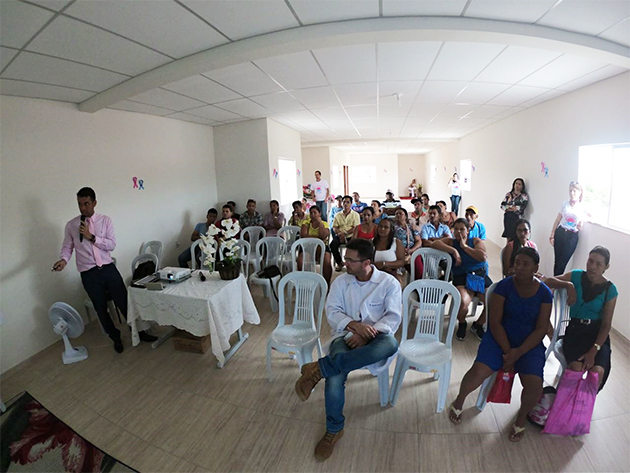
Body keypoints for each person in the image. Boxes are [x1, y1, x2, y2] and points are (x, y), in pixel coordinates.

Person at [294, 239, 401, 461]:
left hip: (376, 337)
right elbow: (332, 312)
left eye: (351, 260)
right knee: (335, 378)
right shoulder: (341, 282)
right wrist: (354, 327)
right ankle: (334, 429)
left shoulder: (388, 283)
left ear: (367, 263)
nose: (346, 263)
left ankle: (319, 368)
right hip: (344, 334)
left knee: (391, 344)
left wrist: (365, 333)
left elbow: (392, 318)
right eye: (345, 258)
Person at [448, 247, 552, 443]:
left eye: (525, 264)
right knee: (478, 371)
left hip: (528, 344)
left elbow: (541, 329)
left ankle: (521, 418)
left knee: (535, 385)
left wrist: (518, 352)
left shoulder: (545, 294)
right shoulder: (504, 286)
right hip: (499, 339)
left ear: (535, 268)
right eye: (517, 263)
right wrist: (508, 352)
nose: (519, 267)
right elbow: (494, 322)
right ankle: (459, 400)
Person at [52, 187, 156, 353]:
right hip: (89, 274)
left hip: (108, 268)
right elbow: (67, 246)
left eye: (86, 203)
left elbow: (111, 245)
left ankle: (139, 332)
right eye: (79, 204)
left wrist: (92, 237)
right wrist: (64, 260)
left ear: (94, 203)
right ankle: (115, 337)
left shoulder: (105, 221)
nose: (83, 208)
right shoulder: (71, 225)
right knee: (101, 308)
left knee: (124, 302)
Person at [543, 246, 618, 391]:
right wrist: (568, 285)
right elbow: (547, 282)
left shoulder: (610, 289)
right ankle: (566, 401)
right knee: (576, 368)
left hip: (597, 335)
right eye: (590, 261)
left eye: (598, 264)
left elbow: (606, 325)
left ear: (606, 267)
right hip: (575, 332)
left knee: (597, 372)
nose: (592, 266)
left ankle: (584, 405)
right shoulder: (576, 276)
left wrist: (593, 351)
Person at [432, 218, 491, 341]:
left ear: (468, 231)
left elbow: (482, 257)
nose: (459, 232)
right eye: (456, 229)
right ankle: (462, 323)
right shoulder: (451, 242)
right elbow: (435, 244)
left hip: (479, 275)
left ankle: (478, 324)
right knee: (463, 301)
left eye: (462, 229)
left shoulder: (475, 241)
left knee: (493, 300)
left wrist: (464, 247)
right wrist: (454, 251)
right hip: (462, 276)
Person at [549, 181, 589, 276]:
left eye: (574, 191)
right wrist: (552, 234)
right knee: (557, 261)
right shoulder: (564, 204)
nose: (572, 193)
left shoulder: (582, 206)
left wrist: (582, 221)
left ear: (580, 192)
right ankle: (554, 285)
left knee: (562, 263)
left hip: (572, 236)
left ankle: (556, 284)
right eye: (570, 191)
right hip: (561, 232)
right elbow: (558, 219)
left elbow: (592, 216)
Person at [299, 206, 332, 285]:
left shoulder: (324, 224)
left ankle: (327, 283)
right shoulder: (306, 223)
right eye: (311, 213)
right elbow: (303, 235)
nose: (313, 215)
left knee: (326, 260)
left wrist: (320, 223)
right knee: (300, 260)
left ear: (319, 214)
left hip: (322, 247)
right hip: (307, 247)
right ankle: (303, 282)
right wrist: (318, 238)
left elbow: (323, 236)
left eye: (315, 213)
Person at [331, 195, 360, 271]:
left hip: (351, 235)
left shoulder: (355, 215)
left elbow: (355, 228)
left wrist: (345, 233)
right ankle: (339, 263)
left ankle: (351, 264)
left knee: (354, 247)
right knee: (332, 245)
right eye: (344, 202)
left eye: (348, 202)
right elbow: (334, 227)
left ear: (351, 204)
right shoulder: (338, 215)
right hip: (340, 235)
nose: (346, 204)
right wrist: (340, 234)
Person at [373, 218, 406, 283]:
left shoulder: (396, 242)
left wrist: (385, 264)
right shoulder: (372, 242)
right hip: (374, 274)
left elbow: (401, 262)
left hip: (391, 275)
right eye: (380, 226)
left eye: (386, 227)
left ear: (391, 229)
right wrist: (377, 266)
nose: (382, 229)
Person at [393, 207, 421, 272]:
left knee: (419, 271)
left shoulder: (411, 227)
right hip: (398, 253)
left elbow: (418, 241)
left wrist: (411, 250)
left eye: (400, 213)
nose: (398, 215)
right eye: (396, 214)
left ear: (405, 216)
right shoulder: (392, 228)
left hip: (412, 251)